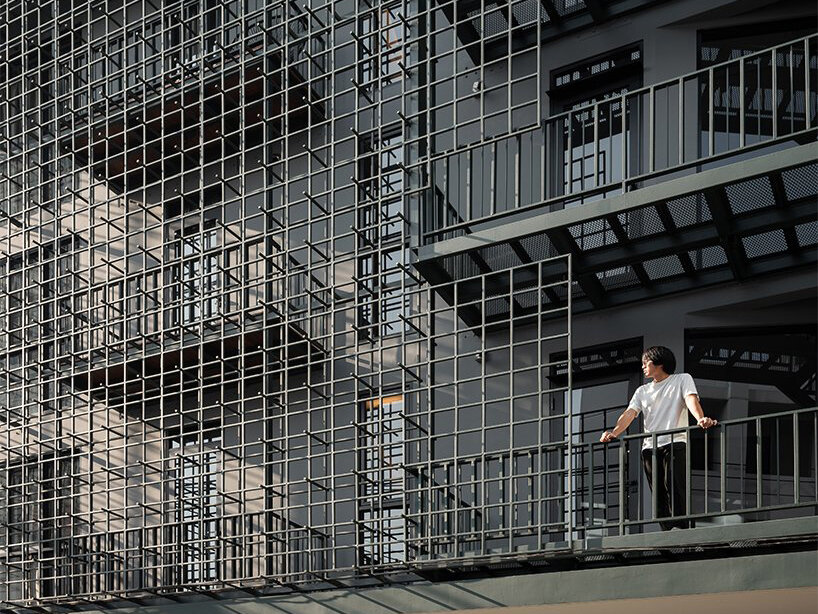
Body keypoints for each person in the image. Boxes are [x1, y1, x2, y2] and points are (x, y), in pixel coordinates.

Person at [599, 346, 718, 530]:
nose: (643, 367)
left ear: (659, 363)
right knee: (658, 491)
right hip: (650, 446)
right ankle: (667, 529)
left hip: (676, 441)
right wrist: (614, 432)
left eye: (645, 363)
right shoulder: (642, 391)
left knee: (674, 485)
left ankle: (682, 528)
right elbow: (630, 413)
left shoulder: (682, 379)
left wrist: (700, 418)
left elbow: (691, 399)